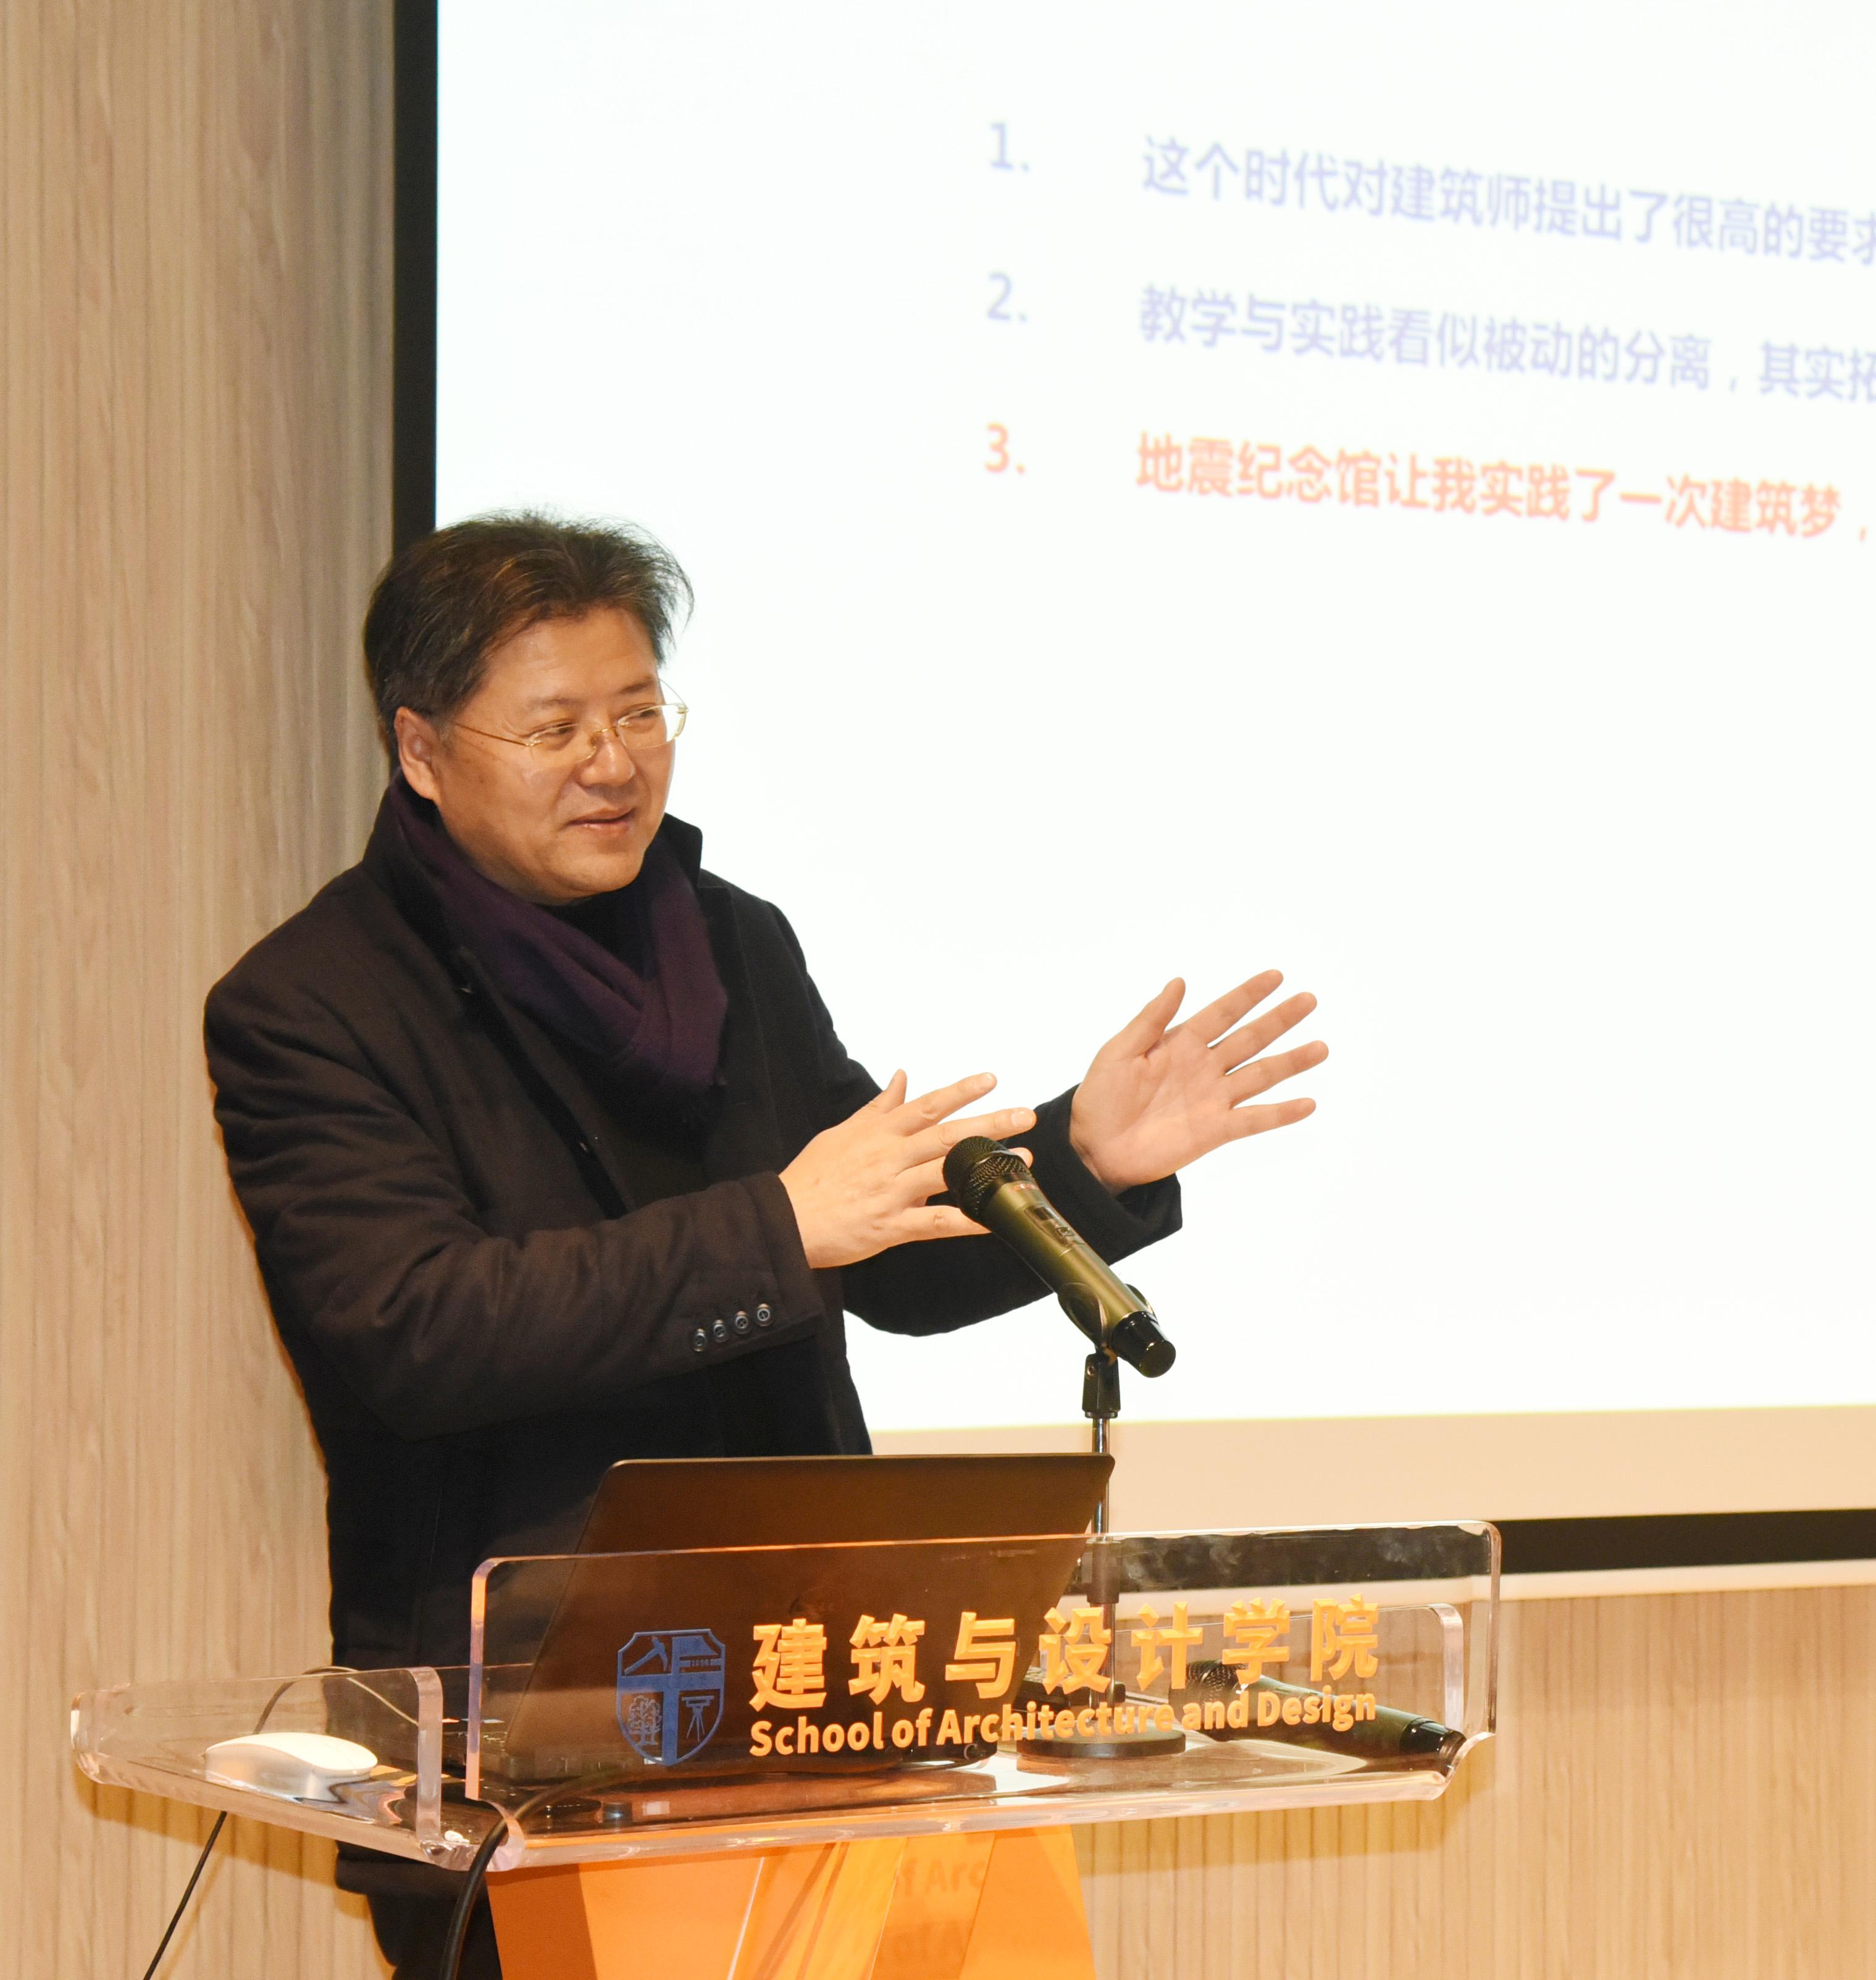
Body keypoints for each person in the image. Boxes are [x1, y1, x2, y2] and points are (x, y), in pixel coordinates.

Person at [203, 512, 1325, 1977]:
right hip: (526, 1737)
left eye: (638, 712)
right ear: (420, 749)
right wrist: (775, 1228)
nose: (613, 762)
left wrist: (1081, 1157)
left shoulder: (727, 942)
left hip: (810, 1699)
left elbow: (885, 1250)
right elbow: (415, 1330)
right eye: (555, 727)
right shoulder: (312, 1005)